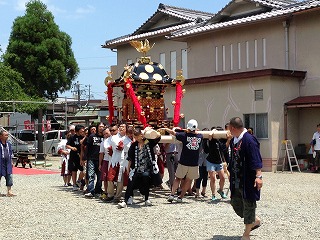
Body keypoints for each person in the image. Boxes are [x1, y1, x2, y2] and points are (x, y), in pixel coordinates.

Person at [228, 117, 263, 240]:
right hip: (237, 179)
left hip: (248, 179)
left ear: (232, 128)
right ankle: (254, 220)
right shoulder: (234, 140)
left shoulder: (249, 140)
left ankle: (246, 234)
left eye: (229, 128)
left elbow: (256, 158)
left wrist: (258, 176)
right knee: (235, 203)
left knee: (249, 205)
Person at [118, 127, 161, 208]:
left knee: (146, 178)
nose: (136, 138)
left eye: (137, 136)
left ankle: (146, 199)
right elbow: (130, 158)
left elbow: (158, 137)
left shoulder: (148, 142)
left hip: (147, 167)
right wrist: (128, 168)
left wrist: (148, 131)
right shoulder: (134, 145)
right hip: (136, 168)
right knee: (131, 182)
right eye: (135, 137)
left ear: (141, 135)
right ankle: (125, 200)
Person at [165, 119, 203, 203]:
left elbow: (174, 133)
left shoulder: (184, 136)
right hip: (194, 163)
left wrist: (166, 129)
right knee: (189, 180)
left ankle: (172, 194)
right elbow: (197, 132)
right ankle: (180, 197)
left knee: (177, 178)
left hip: (183, 161)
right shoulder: (200, 136)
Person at [105, 123, 131, 202]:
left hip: (123, 160)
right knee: (110, 177)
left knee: (120, 179)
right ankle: (110, 194)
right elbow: (114, 146)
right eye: (120, 126)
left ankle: (117, 196)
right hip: (115, 159)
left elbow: (128, 148)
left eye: (123, 127)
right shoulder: (113, 137)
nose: (121, 128)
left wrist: (123, 146)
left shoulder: (128, 139)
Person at [204, 126, 228, 201]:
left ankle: (220, 190)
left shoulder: (220, 141)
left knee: (223, 178)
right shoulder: (211, 140)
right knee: (213, 178)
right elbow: (210, 134)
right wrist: (214, 130)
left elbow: (224, 148)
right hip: (211, 161)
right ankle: (213, 194)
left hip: (219, 162)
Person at [84, 122, 105, 198]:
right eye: (100, 126)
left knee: (100, 177)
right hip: (92, 158)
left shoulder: (105, 137)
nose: (101, 128)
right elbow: (87, 147)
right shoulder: (92, 136)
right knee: (91, 175)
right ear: (97, 127)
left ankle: (98, 190)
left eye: (103, 126)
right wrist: (85, 158)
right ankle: (91, 190)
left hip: (101, 160)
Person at [66, 124, 85, 191]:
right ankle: (74, 184)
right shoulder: (72, 137)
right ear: (77, 131)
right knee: (74, 170)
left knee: (84, 170)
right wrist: (72, 147)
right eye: (81, 131)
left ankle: (79, 180)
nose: (82, 132)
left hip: (81, 156)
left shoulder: (84, 137)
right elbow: (67, 145)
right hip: (73, 156)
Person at [0, 130, 15, 197]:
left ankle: (9, 191)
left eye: (7, 135)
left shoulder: (8, 144)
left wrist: (11, 161)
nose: (7, 136)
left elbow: (10, 153)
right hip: (0, 162)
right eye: (5, 135)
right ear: (1, 136)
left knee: (9, 176)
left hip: (8, 162)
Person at [195, 128, 209, 198]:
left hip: (206, 159)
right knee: (199, 176)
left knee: (205, 176)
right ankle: (197, 192)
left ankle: (203, 191)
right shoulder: (199, 139)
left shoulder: (209, 140)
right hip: (200, 159)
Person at [99, 127, 111, 200]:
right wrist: (100, 164)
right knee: (105, 177)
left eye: (107, 133)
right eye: (104, 134)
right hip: (106, 160)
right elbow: (101, 153)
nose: (106, 135)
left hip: (114, 160)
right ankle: (106, 192)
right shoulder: (103, 142)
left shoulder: (115, 140)